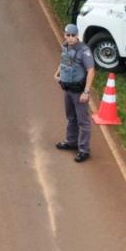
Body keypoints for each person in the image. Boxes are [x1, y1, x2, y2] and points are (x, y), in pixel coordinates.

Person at [54, 24, 95, 162]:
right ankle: (71, 142)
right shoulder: (65, 46)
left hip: (79, 92)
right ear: (65, 35)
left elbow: (91, 71)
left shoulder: (84, 51)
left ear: (77, 35)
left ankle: (84, 150)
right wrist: (57, 73)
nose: (71, 38)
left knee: (83, 122)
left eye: (73, 35)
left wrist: (86, 92)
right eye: (68, 35)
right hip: (68, 89)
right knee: (71, 117)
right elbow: (64, 61)